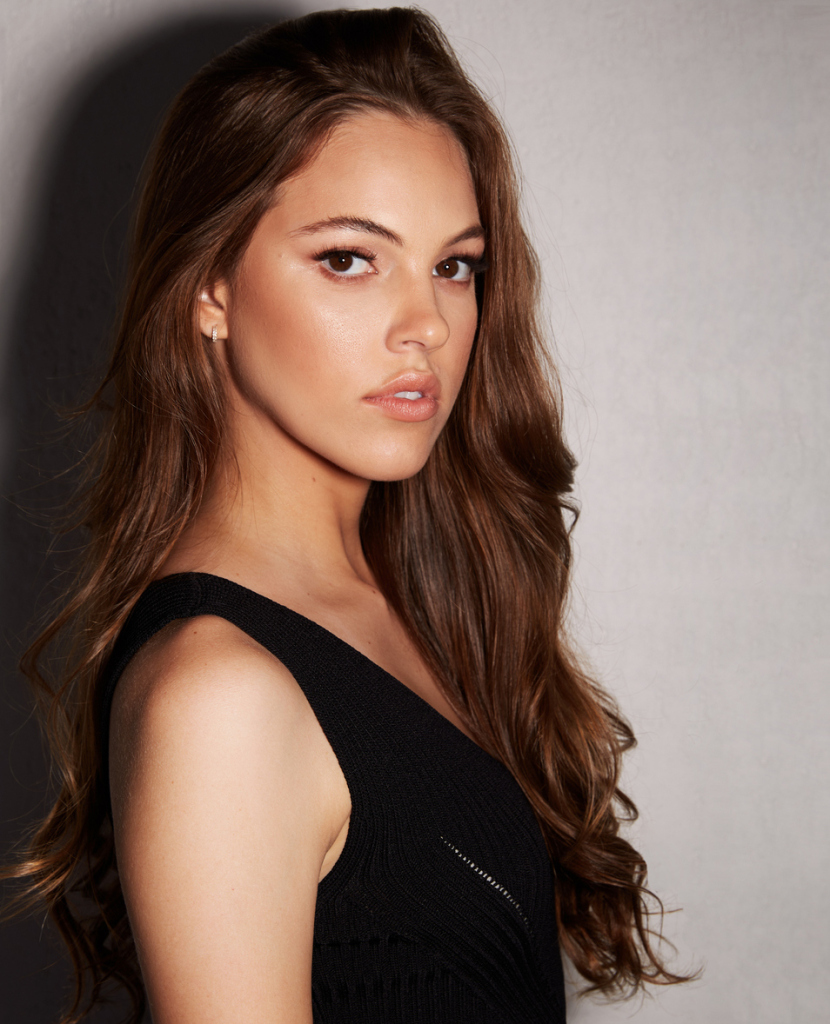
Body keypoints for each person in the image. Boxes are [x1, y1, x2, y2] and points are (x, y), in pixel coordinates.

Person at [2, 7, 691, 1023]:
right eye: (348, 259)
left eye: (454, 265)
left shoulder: (414, 594)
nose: (426, 326)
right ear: (208, 287)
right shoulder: (218, 696)